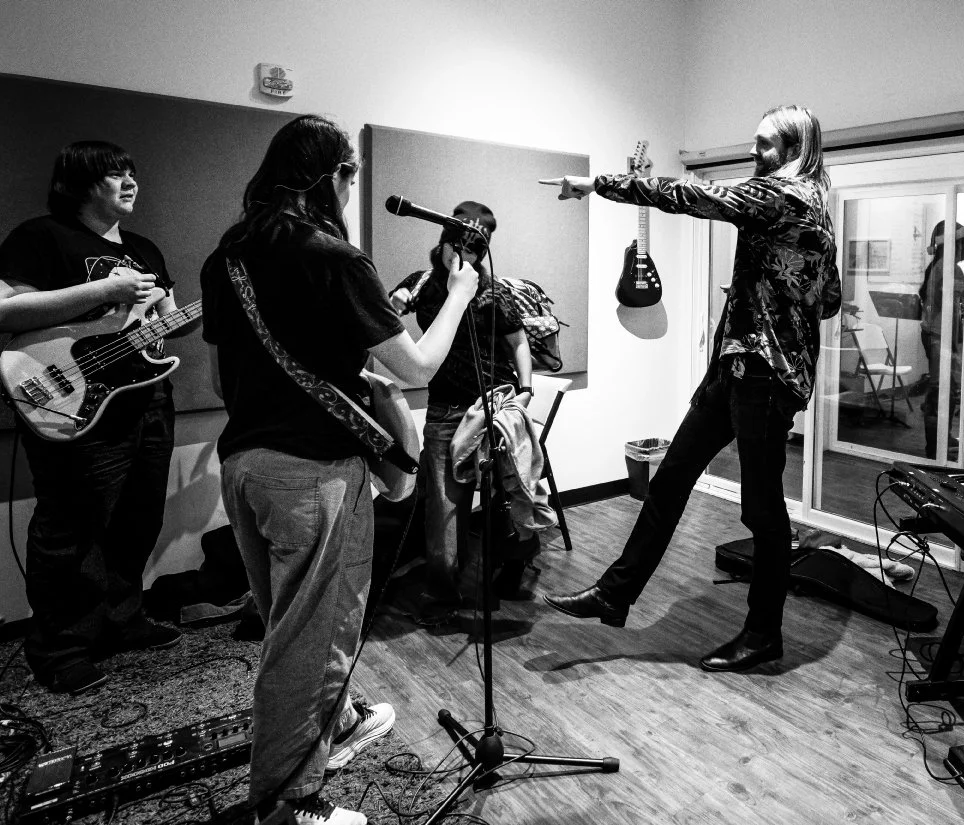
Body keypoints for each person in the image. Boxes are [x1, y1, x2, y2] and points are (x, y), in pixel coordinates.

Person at [200, 114, 478, 825]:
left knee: (287, 627)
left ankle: (341, 720)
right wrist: (460, 294)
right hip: (312, 475)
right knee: (313, 638)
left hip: (242, 466)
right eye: (351, 174)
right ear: (336, 176)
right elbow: (416, 365)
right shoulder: (332, 256)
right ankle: (290, 806)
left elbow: (217, 374)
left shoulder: (226, 256)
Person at [539, 105, 841, 672]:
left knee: (761, 509)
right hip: (734, 369)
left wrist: (595, 184)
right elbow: (828, 301)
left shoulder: (790, 196)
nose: (755, 154)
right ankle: (615, 593)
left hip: (763, 376)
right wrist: (774, 289)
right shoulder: (809, 212)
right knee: (671, 477)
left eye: (766, 145)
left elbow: (689, 197)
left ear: (798, 148)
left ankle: (762, 633)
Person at [0, 140, 193, 696]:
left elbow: (169, 324)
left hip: (145, 400)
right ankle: (60, 647)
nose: (130, 183)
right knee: (72, 526)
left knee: (138, 517)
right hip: (72, 398)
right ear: (78, 184)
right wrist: (106, 289)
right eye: (114, 175)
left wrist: (194, 313)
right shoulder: (41, 236)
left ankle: (122, 619)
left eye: (132, 173)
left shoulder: (144, 248)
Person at [388, 203, 535, 626]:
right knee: (444, 513)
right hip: (445, 410)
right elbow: (382, 320)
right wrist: (394, 303)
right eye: (455, 240)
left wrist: (525, 391)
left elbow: (517, 342)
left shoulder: (494, 291)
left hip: (495, 408)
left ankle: (513, 563)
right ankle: (442, 596)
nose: (461, 251)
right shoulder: (421, 283)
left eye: (473, 245)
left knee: (511, 494)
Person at [918, 220, 964, 460]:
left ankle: (939, 443)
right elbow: (951, 310)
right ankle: (936, 449)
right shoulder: (949, 269)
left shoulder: (937, 266)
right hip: (941, 339)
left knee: (941, 392)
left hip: (935, 336)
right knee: (940, 393)